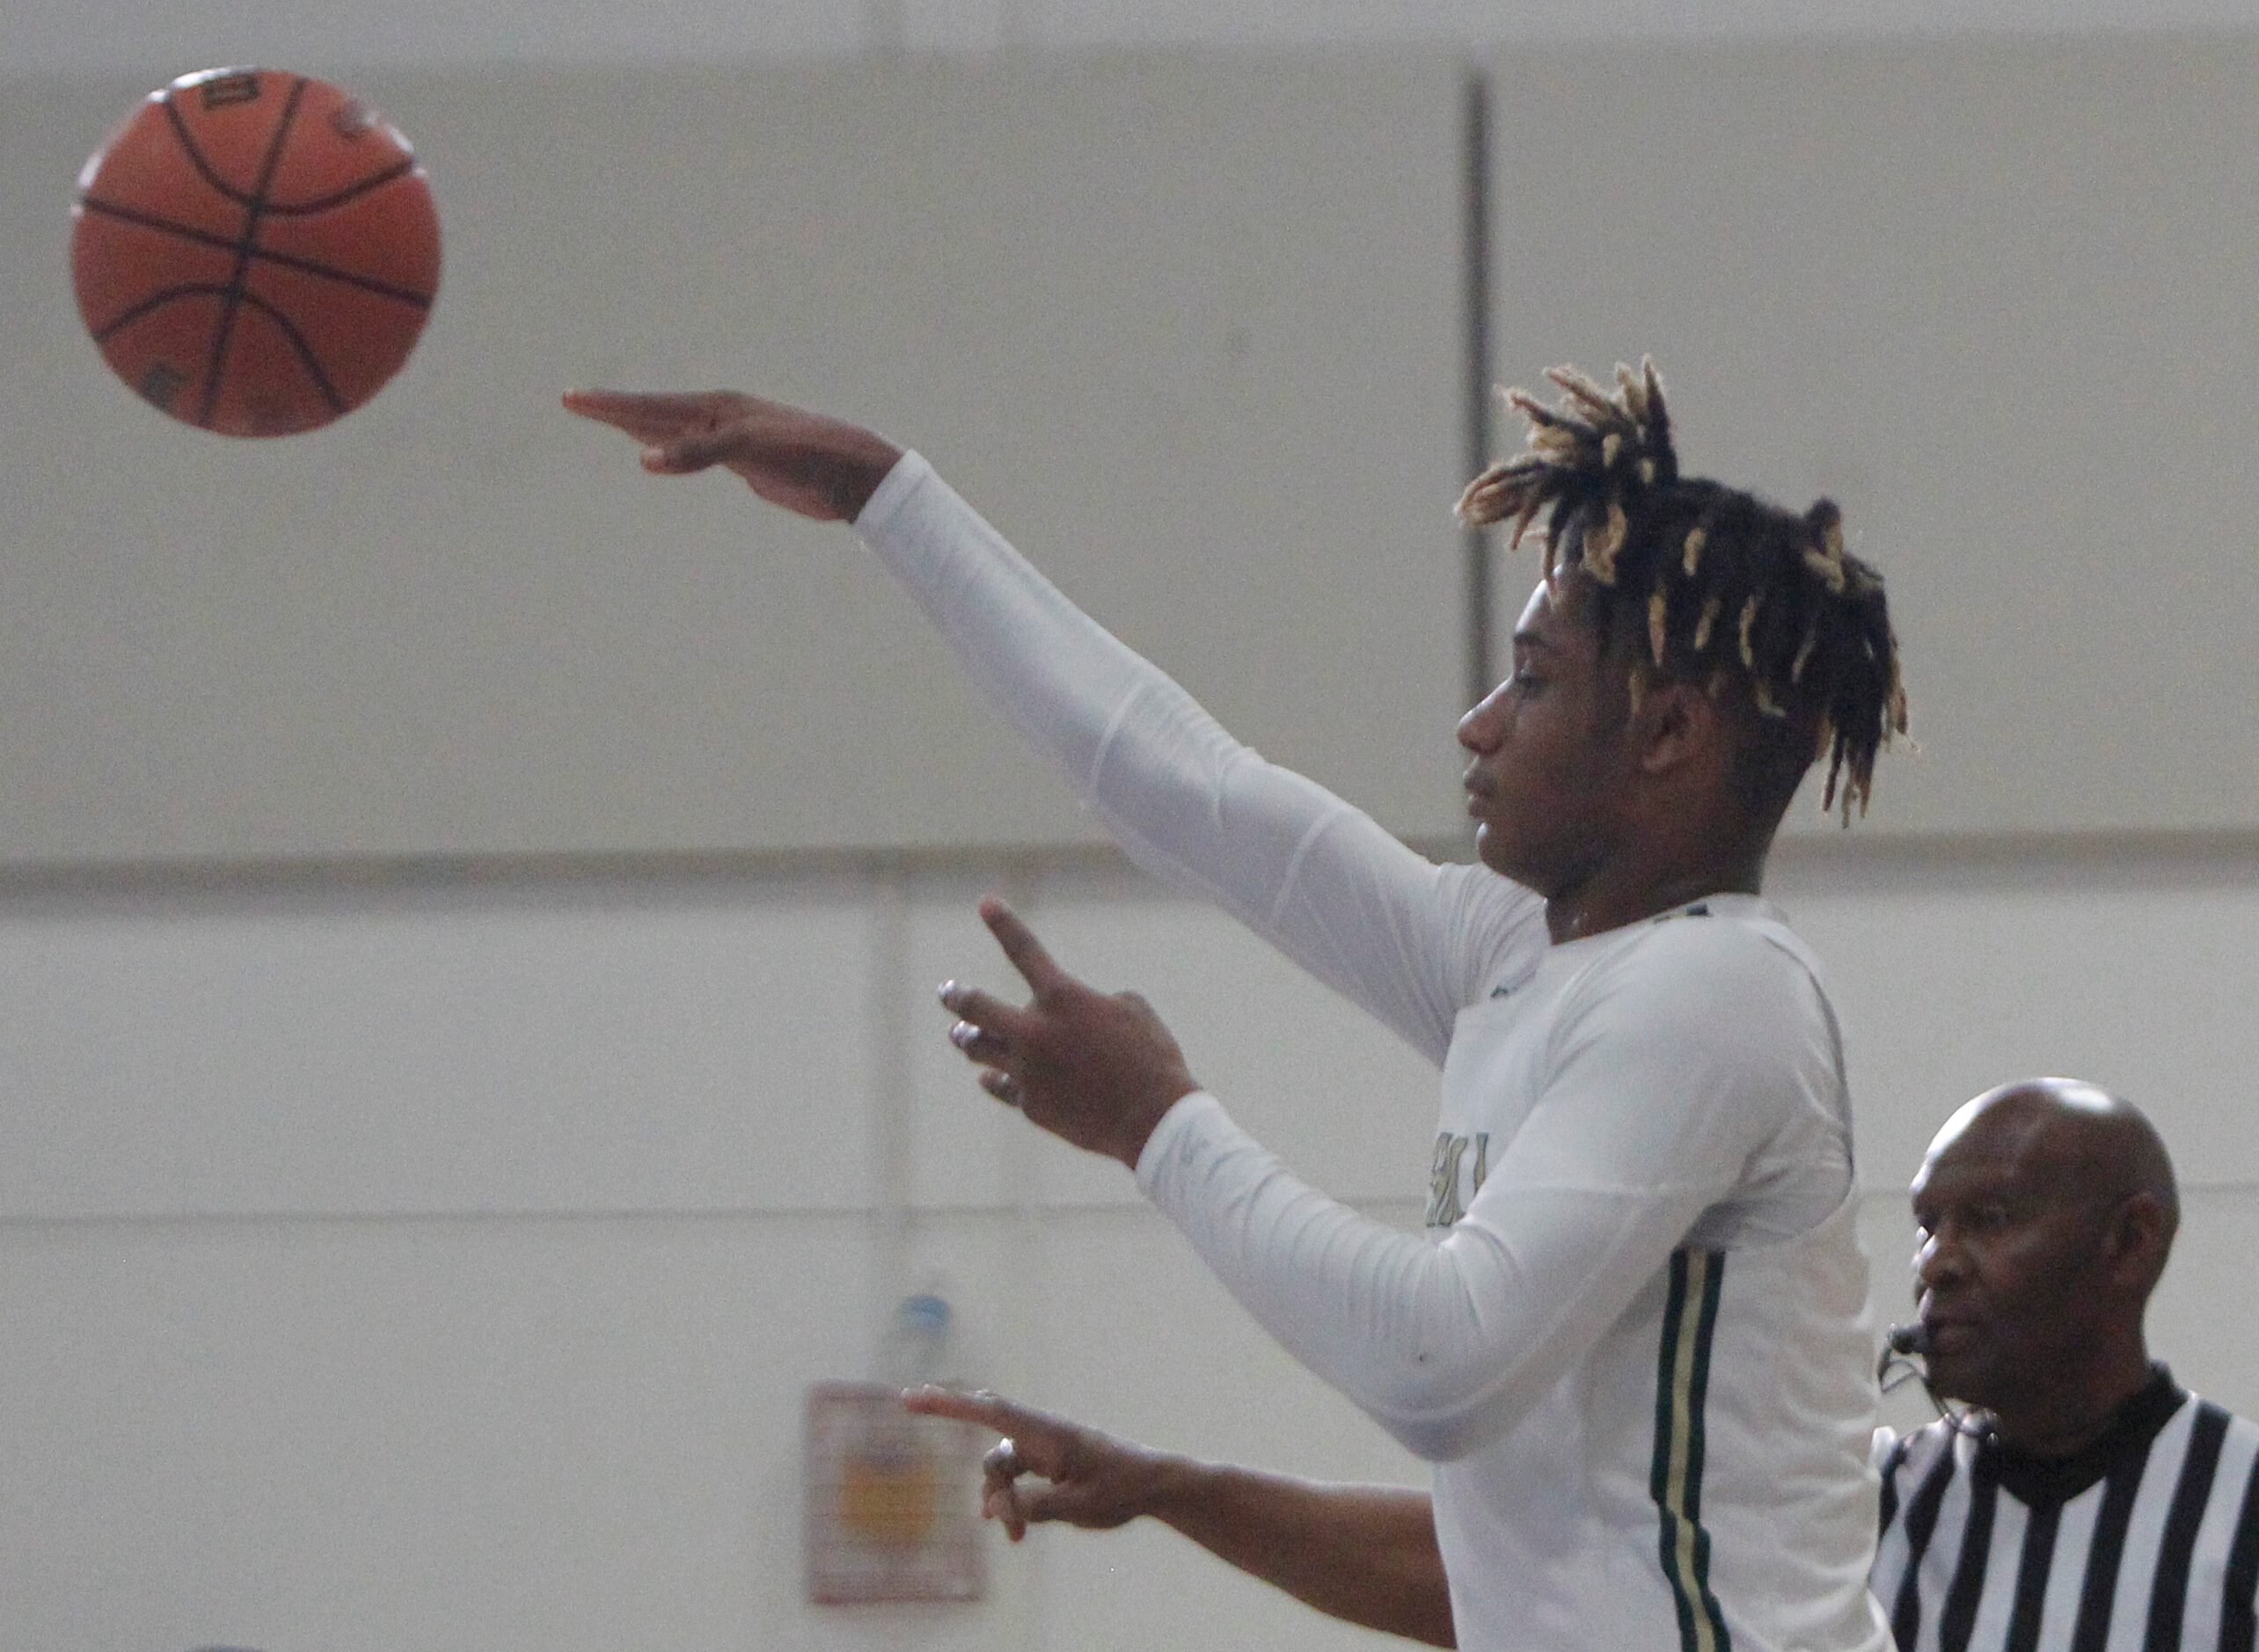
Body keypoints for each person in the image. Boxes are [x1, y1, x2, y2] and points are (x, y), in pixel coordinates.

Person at [564, 359, 1909, 1652]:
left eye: (1536, 679)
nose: (1479, 723)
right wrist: (887, 496)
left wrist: (1158, 1122)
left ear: (1669, 734)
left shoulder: (1715, 992)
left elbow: (1440, 1365)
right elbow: (1179, 781)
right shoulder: (1529, 952)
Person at [1874, 1077, 2259, 1652]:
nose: (1936, 1263)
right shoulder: (1875, 1503)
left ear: (2132, 1240)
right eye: (1927, 1227)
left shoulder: (2241, 1504)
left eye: (1990, 1218)